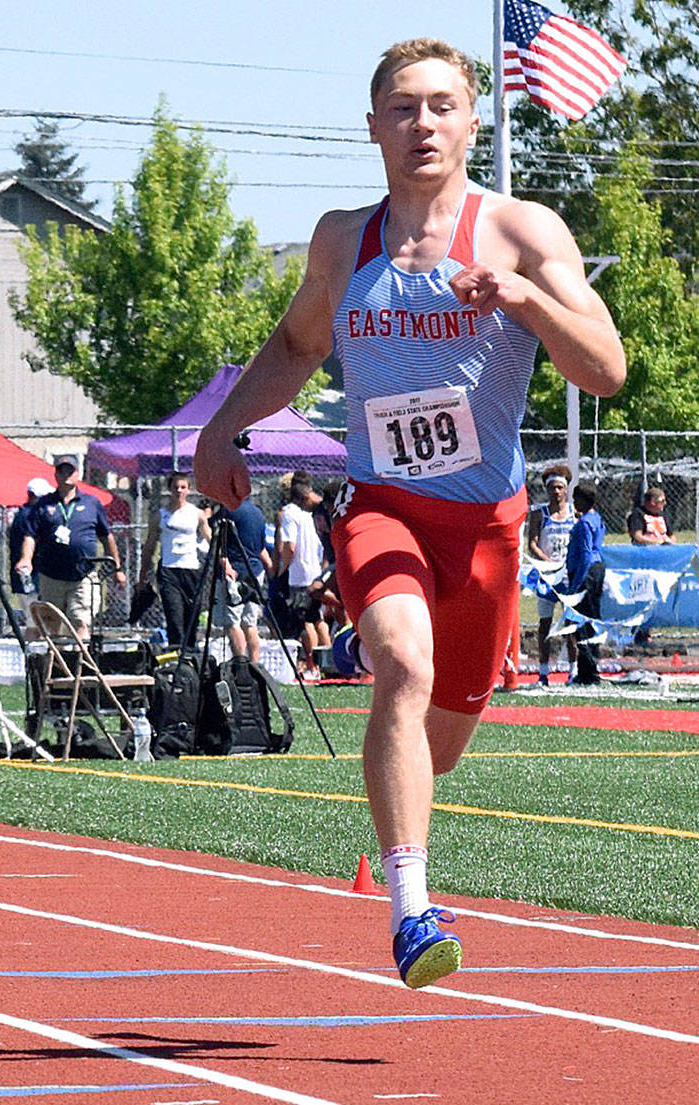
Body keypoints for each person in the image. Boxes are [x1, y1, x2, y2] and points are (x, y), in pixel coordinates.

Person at [194, 39, 624, 989]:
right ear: (374, 125)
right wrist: (222, 426)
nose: (421, 124)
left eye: (440, 106)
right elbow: (301, 342)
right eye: (402, 108)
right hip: (381, 507)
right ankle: (410, 909)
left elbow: (606, 369)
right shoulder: (343, 239)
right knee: (401, 663)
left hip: (488, 534)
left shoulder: (520, 231)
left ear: (474, 122)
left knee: (439, 741)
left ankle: (408, 851)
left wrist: (518, 297)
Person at [15, 455, 126, 640]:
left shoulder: (91, 503)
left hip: (83, 575)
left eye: (70, 470)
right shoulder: (43, 505)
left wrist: (117, 569)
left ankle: (79, 666)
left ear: (78, 473)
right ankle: (55, 666)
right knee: (52, 626)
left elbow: (107, 537)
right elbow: (30, 536)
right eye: (62, 470)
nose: (66, 474)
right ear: (56, 474)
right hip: (51, 575)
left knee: (80, 621)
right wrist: (26, 558)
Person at [139, 470, 211, 647]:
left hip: (192, 570)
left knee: (191, 619)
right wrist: (143, 576)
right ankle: (175, 658)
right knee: (174, 617)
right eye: (175, 487)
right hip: (169, 571)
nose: (179, 491)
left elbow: (212, 540)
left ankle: (190, 659)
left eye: (183, 487)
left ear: (188, 489)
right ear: (169, 489)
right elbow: (150, 546)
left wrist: (225, 564)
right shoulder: (160, 516)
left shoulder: (197, 514)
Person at [278, 471, 332, 679]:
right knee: (318, 620)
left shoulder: (289, 513)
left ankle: (312, 665)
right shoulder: (314, 512)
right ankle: (329, 663)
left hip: (300, 574)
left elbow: (289, 546)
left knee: (306, 621)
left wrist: (282, 570)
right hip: (316, 571)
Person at [527, 464, 577, 686]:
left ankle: (573, 671)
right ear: (547, 490)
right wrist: (547, 562)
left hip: (568, 576)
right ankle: (544, 673)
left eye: (560, 488)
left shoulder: (575, 512)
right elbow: (532, 544)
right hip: (547, 576)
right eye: (552, 488)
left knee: (570, 624)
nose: (556, 492)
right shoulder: (540, 513)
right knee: (545, 625)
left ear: (566, 489)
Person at [211, 496, 276, 664]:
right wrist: (269, 568)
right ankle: (254, 665)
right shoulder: (258, 513)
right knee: (250, 622)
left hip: (235, 572)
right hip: (255, 571)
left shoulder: (228, 511)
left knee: (233, 622)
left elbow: (217, 540)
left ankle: (240, 664)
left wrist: (225, 565)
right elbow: (261, 548)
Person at [565, 482, 606, 686]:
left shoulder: (583, 524)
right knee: (591, 620)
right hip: (598, 570)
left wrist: (575, 587)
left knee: (580, 623)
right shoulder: (597, 519)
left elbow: (584, 554)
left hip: (585, 574)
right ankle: (591, 667)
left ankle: (587, 672)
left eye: (576, 499)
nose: (574, 503)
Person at [9, 476, 53, 623]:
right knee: (35, 619)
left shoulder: (25, 514)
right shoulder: (28, 516)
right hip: (30, 574)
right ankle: (34, 643)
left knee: (36, 617)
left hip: (34, 573)